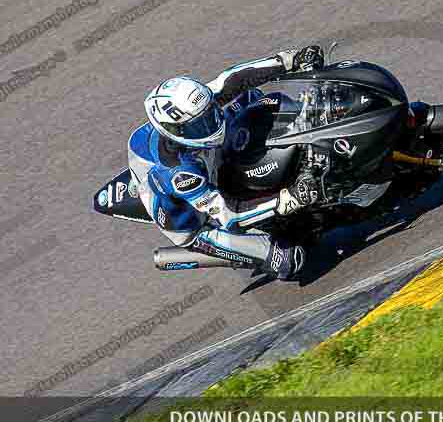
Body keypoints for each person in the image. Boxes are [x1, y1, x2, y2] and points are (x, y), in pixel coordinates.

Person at [127, 46, 325, 278]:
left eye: (209, 113)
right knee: (288, 260)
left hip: (205, 157)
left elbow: (234, 80)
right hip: (200, 223)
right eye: (199, 125)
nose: (211, 124)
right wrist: (286, 199)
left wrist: (289, 60)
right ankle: (220, 248)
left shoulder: (196, 109)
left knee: (252, 99)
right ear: (176, 133)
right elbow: (229, 215)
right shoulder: (181, 173)